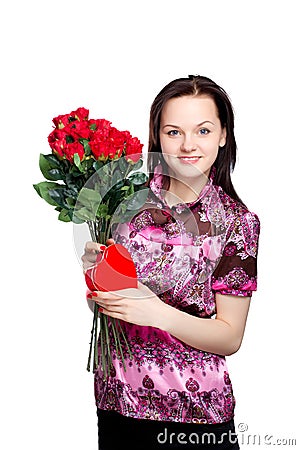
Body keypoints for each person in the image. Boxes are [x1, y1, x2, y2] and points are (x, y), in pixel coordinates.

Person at [82, 75, 260, 449]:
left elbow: (230, 336)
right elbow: (110, 309)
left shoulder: (236, 224)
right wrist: (99, 277)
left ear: (224, 135)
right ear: (157, 136)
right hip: (116, 401)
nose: (188, 145)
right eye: (174, 132)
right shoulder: (125, 204)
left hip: (191, 414)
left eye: (203, 130)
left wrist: (156, 313)